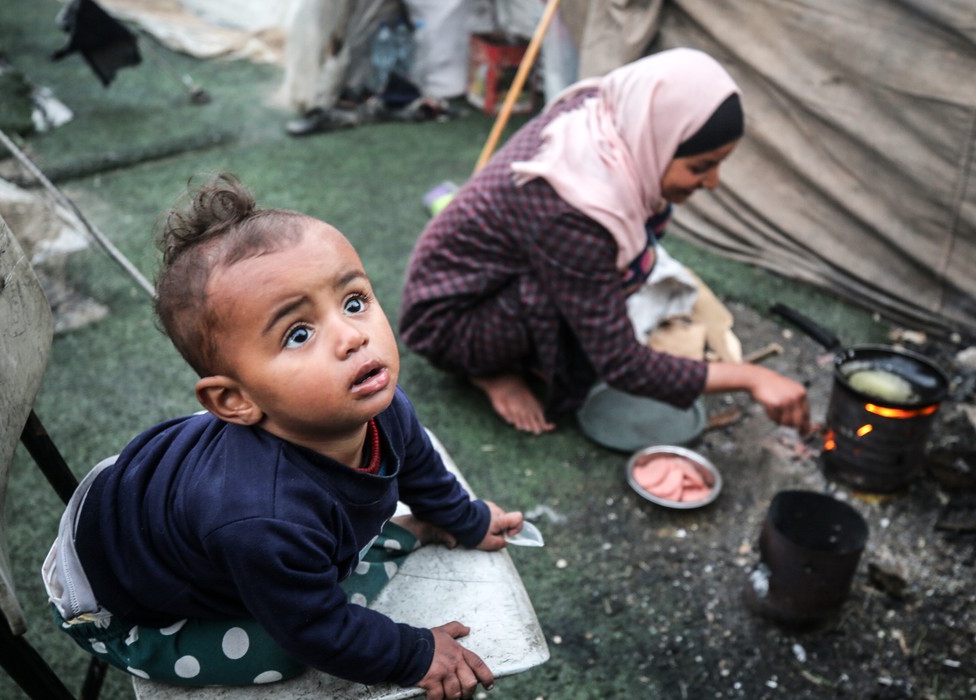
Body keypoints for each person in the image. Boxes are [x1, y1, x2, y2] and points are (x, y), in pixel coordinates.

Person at [42, 174, 523, 699]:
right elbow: (318, 631)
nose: (352, 336)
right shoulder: (261, 516)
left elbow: (423, 469)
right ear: (235, 401)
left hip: (149, 502)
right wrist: (415, 652)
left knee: (300, 578)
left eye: (355, 301)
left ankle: (358, 552)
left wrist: (465, 519)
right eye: (299, 333)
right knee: (285, 649)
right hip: (108, 603)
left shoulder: (380, 408)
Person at [399, 48, 810, 435]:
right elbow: (623, 365)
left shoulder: (611, 112)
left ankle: (530, 349)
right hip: (447, 321)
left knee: (605, 276)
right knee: (585, 306)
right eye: (701, 166)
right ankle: (487, 372)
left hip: (495, 275)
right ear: (657, 139)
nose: (713, 182)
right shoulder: (572, 208)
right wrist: (753, 377)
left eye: (719, 164)